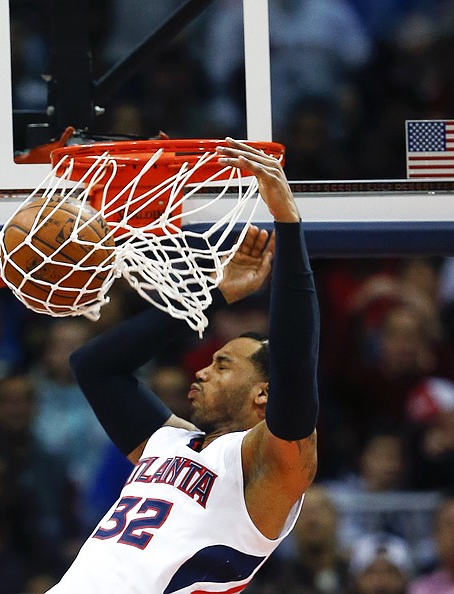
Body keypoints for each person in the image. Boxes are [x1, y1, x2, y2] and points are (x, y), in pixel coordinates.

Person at [45, 138, 320, 593]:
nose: (202, 372)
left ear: (263, 394)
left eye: (224, 364)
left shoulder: (266, 466)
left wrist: (287, 223)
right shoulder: (168, 441)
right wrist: (212, 295)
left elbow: (294, 365)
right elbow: (95, 366)